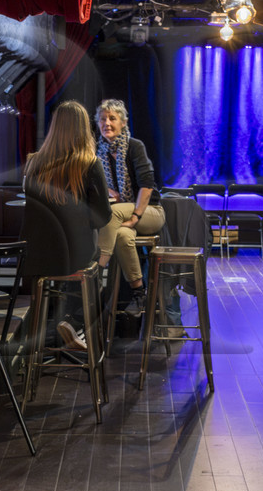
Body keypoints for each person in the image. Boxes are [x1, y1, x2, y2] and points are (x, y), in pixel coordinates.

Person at [20, 101, 113, 352]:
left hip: (36, 257)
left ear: (55, 128)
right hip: (75, 256)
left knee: (67, 272)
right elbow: (103, 217)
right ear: (84, 129)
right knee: (98, 277)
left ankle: (51, 335)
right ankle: (72, 324)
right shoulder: (90, 163)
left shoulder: (33, 163)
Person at [93, 99, 164, 304]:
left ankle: (97, 271)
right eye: (103, 119)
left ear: (123, 122)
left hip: (150, 212)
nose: (107, 123)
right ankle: (139, 292)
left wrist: (135, 216)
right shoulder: (99, 152)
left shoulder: (134, 146)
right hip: (124, 214)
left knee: (113, 214)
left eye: (112, 119)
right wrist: (107, 189)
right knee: (123, 236)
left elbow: (147, 185)